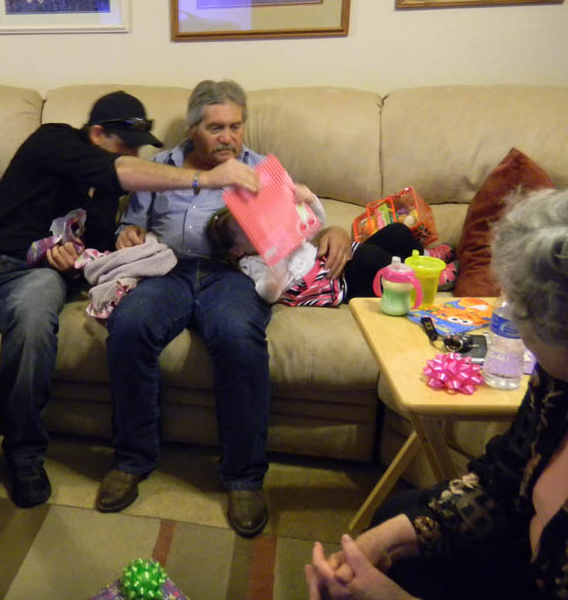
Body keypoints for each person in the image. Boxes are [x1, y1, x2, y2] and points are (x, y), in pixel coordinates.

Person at [0, 89, 260, 510]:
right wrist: (201, 180)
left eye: (138, 148)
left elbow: (95, 252)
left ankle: (24, 455)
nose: (133, 155)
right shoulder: (54, 139)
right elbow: (117, 172)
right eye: (125, 145)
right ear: (96, 135)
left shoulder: (110, 197)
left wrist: (73, 261)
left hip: (36, 275)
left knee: (34, 332)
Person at [94, 80, 337, 538]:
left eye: (236, 126)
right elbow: (132, 221)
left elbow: (299, 225)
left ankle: (244, 477)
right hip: (168, 268)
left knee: (238, 337)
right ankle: (131, 460)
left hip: (233, 274)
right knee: (128, 326)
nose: (228, 137)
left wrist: (331, 229)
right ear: (192, 130)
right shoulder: (158, 167)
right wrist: (127, 232)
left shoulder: (263, 171)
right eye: (216, 128)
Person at [305, 187, 568, 600]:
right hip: (520, 545)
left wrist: (388, 597)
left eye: (516, 305)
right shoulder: (556, 380)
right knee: (397, 516)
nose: (505, 311)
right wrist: (383, 541)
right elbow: (502, 479)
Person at [207, 186, 456, 306]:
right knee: (368, 257)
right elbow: (268, 292)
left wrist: (309, 199)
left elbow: (317, 224)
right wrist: (276, 258)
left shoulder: (281, 232)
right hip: (338, 283)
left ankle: (425, 257)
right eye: (247, 229)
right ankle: (424, 279)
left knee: (396, 232)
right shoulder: (252, 265)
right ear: (236, 250)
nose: (258, 227)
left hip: (333, 259)